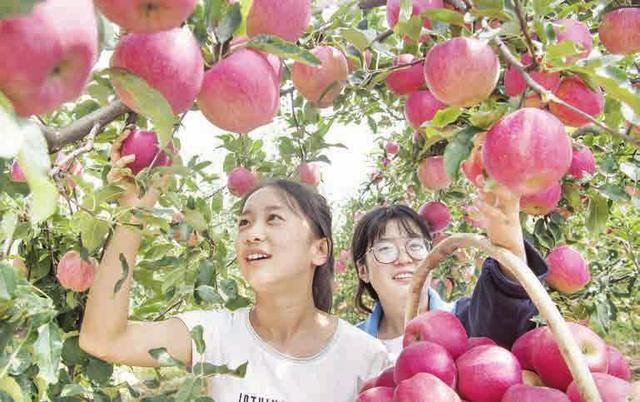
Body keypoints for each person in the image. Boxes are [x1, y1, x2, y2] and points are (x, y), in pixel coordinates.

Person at [79, 134, 388, 402]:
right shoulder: (215, 335)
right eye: (244, 222)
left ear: (319, 249)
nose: (252, 233)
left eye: (274, 218)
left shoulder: (365, 358)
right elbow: (103, 339)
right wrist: (134, 210)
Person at [352, 183, 549, 361]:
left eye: (414, 246)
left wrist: (509, 246)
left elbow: (502, 312)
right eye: (385, 249)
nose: (404, 258)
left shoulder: (463, 319)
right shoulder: (351, 349)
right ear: (363, 270)